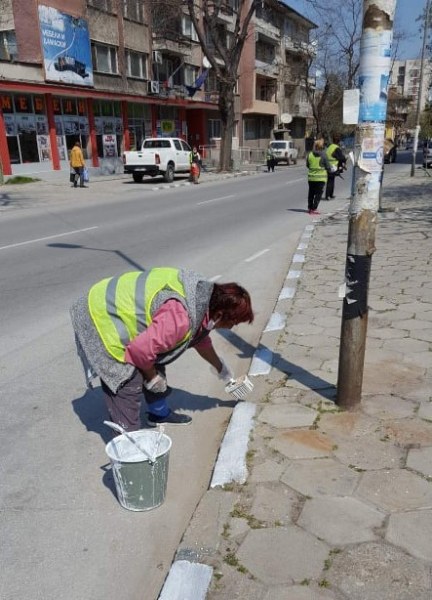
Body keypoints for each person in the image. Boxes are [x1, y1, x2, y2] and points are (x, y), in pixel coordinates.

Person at [70, 267, 254, 431]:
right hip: (98, 314)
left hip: (115, 304)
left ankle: (159, 413)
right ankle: (129, 448)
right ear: (220, 314)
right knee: (126, 380)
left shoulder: (204, 298)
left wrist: (222, 370)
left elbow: (200, 339)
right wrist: (152, 378)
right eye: (233, 322)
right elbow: (140, 351)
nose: (231, 328)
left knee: (157, 352)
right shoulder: (181, 317)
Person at [306, 139, 331, 215]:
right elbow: (328, 166)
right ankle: (314, 208)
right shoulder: (323, 155)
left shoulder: (310, 154)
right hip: (320, 179)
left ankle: (310, 208)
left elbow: (307, 165)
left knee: (311, 193)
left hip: (311, 178)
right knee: (318, 194)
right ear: (321, 146)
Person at [325, 134, 346, 200]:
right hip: (333, 166)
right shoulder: (336, 148)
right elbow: (341, 157)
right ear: (339, 141)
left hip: (328, 165)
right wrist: (344, 160)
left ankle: (330, 195)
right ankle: (328, 195)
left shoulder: (330, 146)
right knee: (331, 181)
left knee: (330, 180)